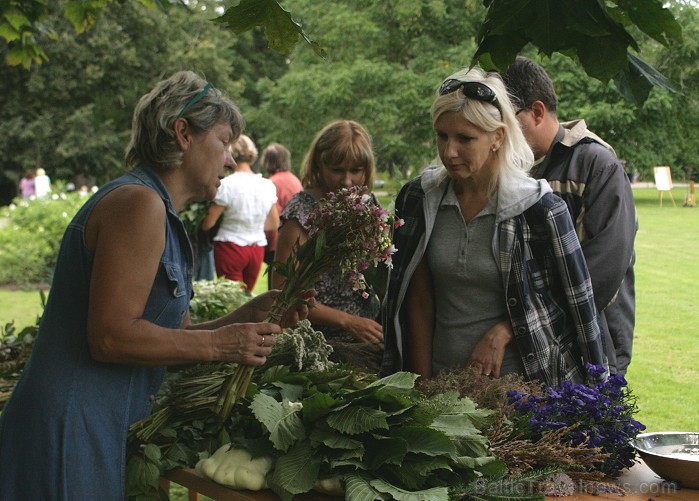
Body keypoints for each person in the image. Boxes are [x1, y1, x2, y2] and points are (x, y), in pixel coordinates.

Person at [0, 71, 312, 500]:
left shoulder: (159, 212)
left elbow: (170, 341)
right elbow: (110, 337)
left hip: (93, 426)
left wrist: (246, 316)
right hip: (68, 429)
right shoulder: (138, 204)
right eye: (223, 141)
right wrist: (223, 345)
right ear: (183, 133)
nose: (228, 159)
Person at [380, 67, 607, 387]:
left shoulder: (540, 210)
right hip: (443, 384)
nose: (449, 152)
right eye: (442, 136)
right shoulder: (420, 200)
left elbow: (576, 305)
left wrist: (505, 329)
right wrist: (422, 386)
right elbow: (418, 299)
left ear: (498, 137)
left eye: (465, 139)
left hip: (524, 391)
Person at [502, 56, 637, 376]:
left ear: (536, 112)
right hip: (529, 346)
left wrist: (516, 322)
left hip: (595, 342)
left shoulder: (596, 163)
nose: (500, 132)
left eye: (507, 120)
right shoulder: (511, 170)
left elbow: (603, 266)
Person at [272, 120, 384, 371]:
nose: (347, 180)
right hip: (317, 347)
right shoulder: (301, 213)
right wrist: (347, 321)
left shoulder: (367, 205)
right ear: (319, 165)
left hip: (369, 340)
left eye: (356, 170)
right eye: (337, 170)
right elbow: (282, 292)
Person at [201, 134, 279, 292]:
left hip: (230, 246)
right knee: (245, 298)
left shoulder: (227, 185)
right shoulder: (267, 185)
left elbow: (208, 223)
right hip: (257, 247)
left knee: (232, 300)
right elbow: (273, 224)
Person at [259, 142, 303, 287]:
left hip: (280, 244)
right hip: (299, 241)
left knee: (275, 290)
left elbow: (273, 219)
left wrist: (269, 248)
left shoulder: (271, 183)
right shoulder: (293, 179)